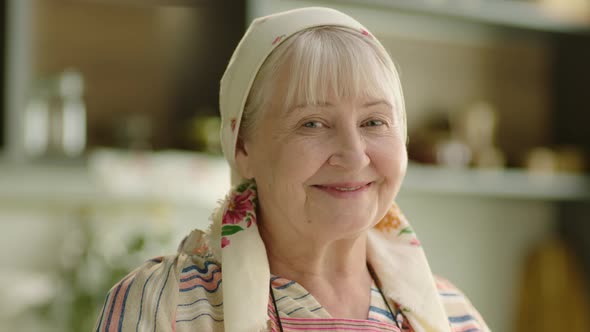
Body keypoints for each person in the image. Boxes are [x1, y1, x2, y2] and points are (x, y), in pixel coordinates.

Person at [95, 7, 490, 332]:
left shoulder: (455, 316)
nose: (354, 156)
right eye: (312, 123)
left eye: (374, 122)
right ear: (243, 147)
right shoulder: (167, 305)